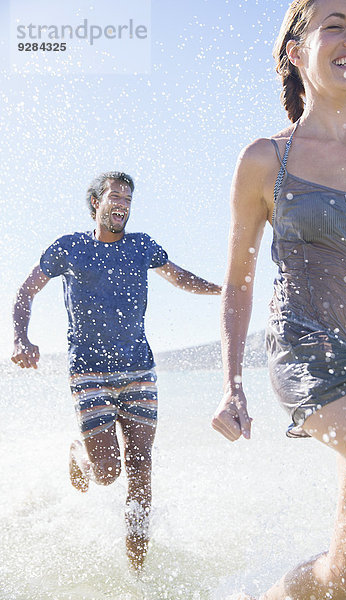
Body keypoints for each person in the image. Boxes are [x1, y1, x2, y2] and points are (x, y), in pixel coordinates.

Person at [212, 0, 346, 598]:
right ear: (297, 51)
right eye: (336, 24)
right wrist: (232, 384)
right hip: (316, 360)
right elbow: (238, 282)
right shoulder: (268, 160)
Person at [12, 171, 221, 570]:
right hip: (88, 372)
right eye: (115, 197)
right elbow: (26, 290)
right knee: (108, 471)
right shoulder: (69, 248)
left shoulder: (142, 248)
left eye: (128, 199)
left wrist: (224, 290)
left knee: (141, 466)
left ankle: (137, 570)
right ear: (96, 203)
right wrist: (21, 339)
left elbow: (179, 277)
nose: (122, 205)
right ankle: (79, 452)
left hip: (139, 370)